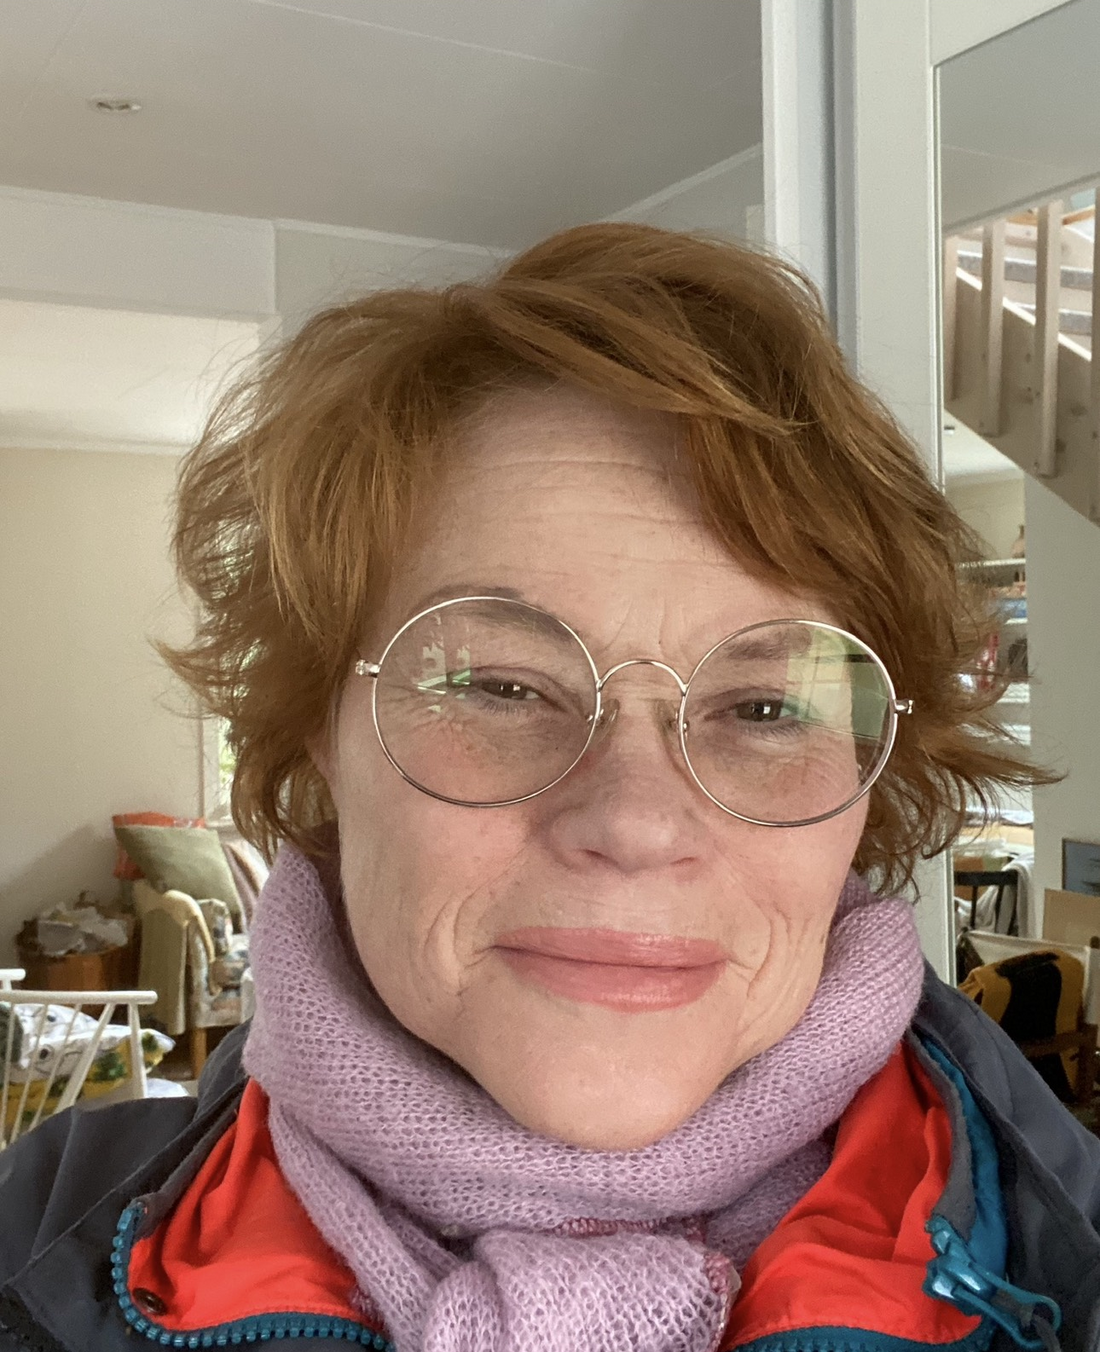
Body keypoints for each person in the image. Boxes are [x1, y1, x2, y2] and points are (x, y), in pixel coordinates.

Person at [1, 223, 1096, 1352]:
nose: (635, 821)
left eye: (763, 708)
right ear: (320, 729)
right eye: (500, 687)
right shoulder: (32, 1240)